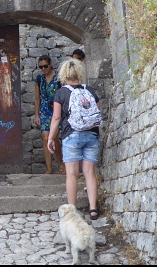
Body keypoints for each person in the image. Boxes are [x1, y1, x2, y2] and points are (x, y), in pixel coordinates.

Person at [48, 59, 102, 220]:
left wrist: (51, 138)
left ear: (63, 74)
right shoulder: (90, 90)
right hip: (92, 135)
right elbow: (97, 111)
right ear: (80, 73)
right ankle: (93, 209)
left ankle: (72, 211)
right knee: (89, 173)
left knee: (71, 174)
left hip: (71, 135)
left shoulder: (62, 93)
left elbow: (56, 117)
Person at [34, 55, 64, 174]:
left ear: (50, 64)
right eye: (40, 67)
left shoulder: (59, 77)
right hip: (44, 111)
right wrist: (36, 115)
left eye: (45, 66)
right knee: (46, 138)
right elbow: (37, 98)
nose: (43, 69)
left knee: (54, 138)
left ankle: (60, 163)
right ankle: (49, 168)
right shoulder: (39, 79)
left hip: (58, 110)